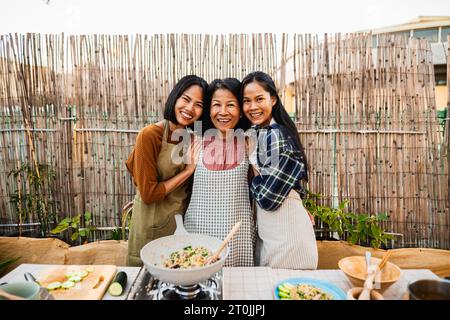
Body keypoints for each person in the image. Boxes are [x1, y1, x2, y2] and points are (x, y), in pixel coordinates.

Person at [125, 75, 208, 266]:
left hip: (179, 224)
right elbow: (148, 193)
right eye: (186, 99)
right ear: (175, 98)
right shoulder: (149, 135)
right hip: (150, 224)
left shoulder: (191, 139)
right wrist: (187, 171)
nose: (189, 109)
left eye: (198, 105)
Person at [242, 71, 318, 269]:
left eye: (259, 99)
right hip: (274, 233)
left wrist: (253, 178)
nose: (252, 107)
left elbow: (269, 199)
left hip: (288, 237)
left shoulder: (277, 135)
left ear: (273, 99)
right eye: (246, 101)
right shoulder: (260, 133)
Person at [183, 78, 255, 267]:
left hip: (238, 238)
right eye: (216, 105)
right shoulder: (193, 140)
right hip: (198, 233)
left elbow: (264, 183)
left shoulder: (249, 142)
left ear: (240, 112)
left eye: (231, 105)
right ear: (208, 109)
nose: (223, 112)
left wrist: (297, 202)